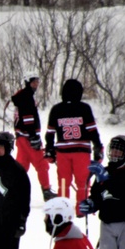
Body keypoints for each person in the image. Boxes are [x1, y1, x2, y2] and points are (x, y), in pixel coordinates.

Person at [44, 78, 103, 212]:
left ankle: (62, 210)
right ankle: (81, 209)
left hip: (63, 152)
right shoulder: (84, 108)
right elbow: (92, 131)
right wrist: (98, 147)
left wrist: (49, 150)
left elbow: (50, 133)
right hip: (81, 151)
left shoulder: (56, 109)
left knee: (64, 182)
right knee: (82, 182)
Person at [9, 72, 56, 201]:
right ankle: (46, 191)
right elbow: (28, 119)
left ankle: (13, 190)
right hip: (28, 137)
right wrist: (33, 136)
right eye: (33, 82)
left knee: (21, 166)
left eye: (37, 81)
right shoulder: (26, 97)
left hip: (21, 137)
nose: (36, 84)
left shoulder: (23, 96)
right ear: (27, 82)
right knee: (42, 164)